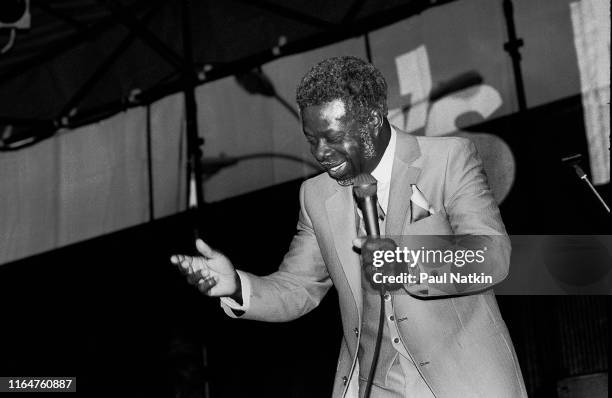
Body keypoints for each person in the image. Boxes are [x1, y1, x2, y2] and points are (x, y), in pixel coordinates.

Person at [171, 56, 527, 397]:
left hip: (461, 383)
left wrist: (410, 268)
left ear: (372, 119)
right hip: (373, 386)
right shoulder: (316, 195)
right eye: (312, 139)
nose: (321, 152)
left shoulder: (447, 159)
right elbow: (299, 287)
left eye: (333, 136)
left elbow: (491, 256)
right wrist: (237, 286)